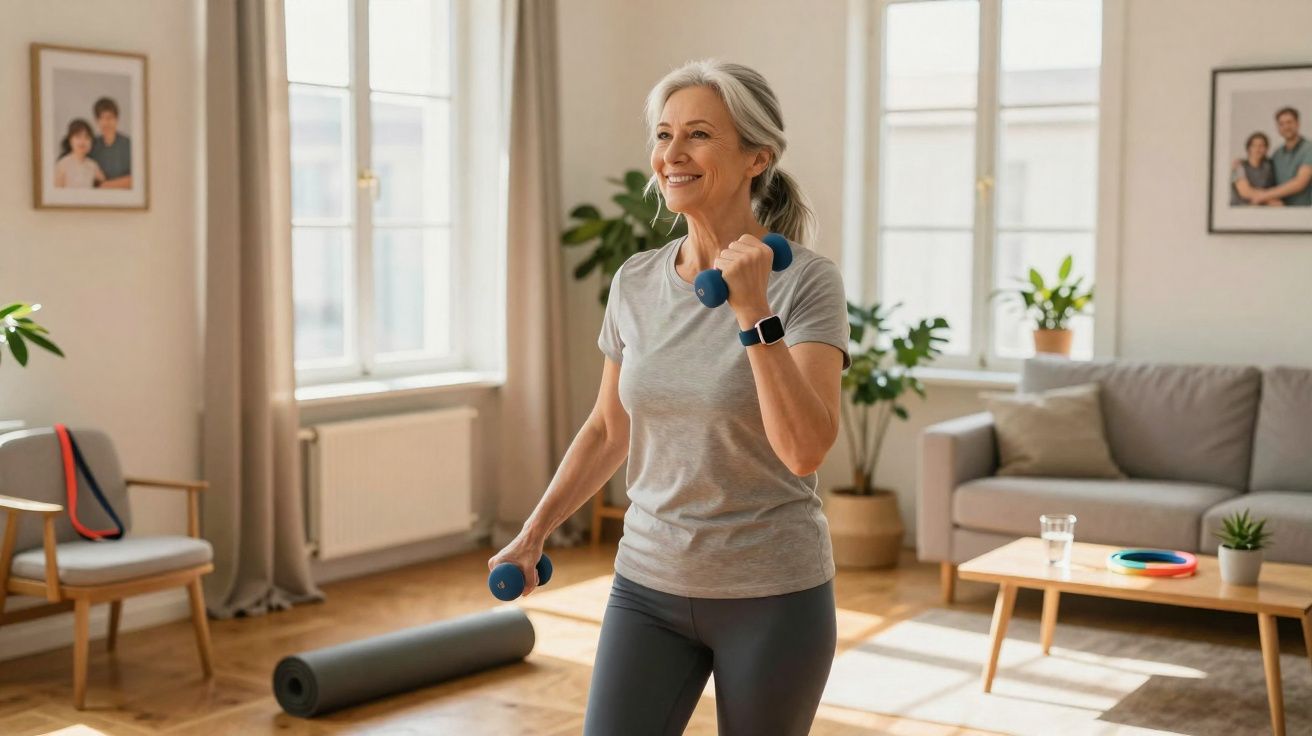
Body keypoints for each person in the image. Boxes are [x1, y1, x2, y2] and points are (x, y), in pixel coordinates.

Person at [488, 59, 850, 735]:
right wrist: (532, 532)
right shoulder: (635, 282)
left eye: (699, 135)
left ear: (756, 157)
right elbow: (605, 428)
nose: (671, 155)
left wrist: (753, 313)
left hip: (771, 594)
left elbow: (804, 449)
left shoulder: (806, 285)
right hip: (647, 587)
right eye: (663, 135)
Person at [1247, 107, 1312, 207]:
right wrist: (1242, 162)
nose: (1286, 127)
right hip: (1280, 212)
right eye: (1281, 124)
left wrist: (1264, 195)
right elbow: (1259, 164)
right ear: (1278, 128)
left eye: (1289, 122)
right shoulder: (1277, 153)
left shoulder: (1309, 148)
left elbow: (1300, 183)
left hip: (1304, 213)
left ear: (1298, 124)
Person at [89, 96, 132, 190]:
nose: (105, 123)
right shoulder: (91, 145)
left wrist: (105, 185)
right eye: (101, 118)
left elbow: (137, 179)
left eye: (109, 118)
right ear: (97, 121)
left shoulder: (128, 144)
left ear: (116, 119)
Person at [54, 118, 105, 189]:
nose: (82, 141)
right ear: (70, 140)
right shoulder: (62, 165)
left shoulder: (93, 165)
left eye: (87, 137)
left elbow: (104, 186)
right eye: (78, 137)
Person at [1230, 132, 1279, 206]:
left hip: (1261, 206)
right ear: (1248, 148)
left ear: (1266, 149)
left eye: (1261, 145)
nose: (1258, 148)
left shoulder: (1269, 166)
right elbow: (1245, 192)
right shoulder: (1238, 166)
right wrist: (1269, 199)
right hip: (1241, 207)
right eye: (1254, 145)